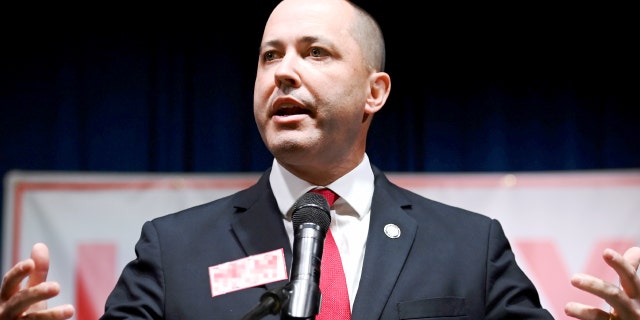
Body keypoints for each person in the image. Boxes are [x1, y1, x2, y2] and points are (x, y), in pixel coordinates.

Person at [0, 0, 637, 319]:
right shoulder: (172, 251)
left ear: (375, 92)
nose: (284, 73)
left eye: (316, 53)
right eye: (269, 56)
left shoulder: (470, 249)